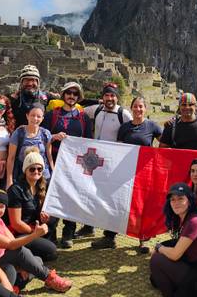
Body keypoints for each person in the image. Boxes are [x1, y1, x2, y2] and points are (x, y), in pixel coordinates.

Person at [0, 189, 73, 293]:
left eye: (2, 206)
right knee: (20, 256)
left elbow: (12, 239)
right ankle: (50, 278)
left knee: (36, 260)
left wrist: (21, 266)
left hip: (3, 260)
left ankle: (16, 288)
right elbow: (11, 245)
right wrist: (34, 235)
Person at [43, 82, 93, 249]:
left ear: (78, 97)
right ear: (63, 95)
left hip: (75, 164)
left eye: (75, 94)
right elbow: (42, 136)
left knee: (71, 197)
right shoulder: (52, 115)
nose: (72, 96)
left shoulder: (83, 117)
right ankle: (51, 232)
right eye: (69, 93)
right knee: (52, 195)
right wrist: (54, 136)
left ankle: (69, 232)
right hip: (54, 161)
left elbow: (88, 142)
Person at [84, 83, 132, 250]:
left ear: (117, 97)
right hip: (95, 161)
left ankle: (109, 236)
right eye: (107, 95)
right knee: (91, 194)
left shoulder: (123, 114)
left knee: (111, 198)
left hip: (113, 163)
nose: (109, 99)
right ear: (102, 97)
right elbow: (78, 109)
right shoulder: (96, 110)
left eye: (112, 96)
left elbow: (134, 128)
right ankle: (88, 226)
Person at [150, 183, 197, 297]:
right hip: (194, 267)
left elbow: (175, 255)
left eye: (181, 198)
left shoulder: (194, 221)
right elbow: (177, 243)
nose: (176, 203)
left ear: (190, 201)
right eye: (173, 200)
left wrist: (159, 247)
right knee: (155, 278)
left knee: (157, 260)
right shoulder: (184, 219)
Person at [114, 95, 163, 253]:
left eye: (141, 106)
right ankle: (110, 235)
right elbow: (118, 149)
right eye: (135, 106)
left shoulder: (152, 127)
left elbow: (165, 143)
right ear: (131, 108)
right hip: (126, 171)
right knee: (121, 202)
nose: (138, 109)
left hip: (144, 173)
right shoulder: (124, 128)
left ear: (145, 109)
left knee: (143, 205)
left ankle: (143, 239)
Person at [7, 148, 58, 262]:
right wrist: (35, 233)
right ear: (25, 170)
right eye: (32, 169)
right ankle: (23, 255)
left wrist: (46, 219)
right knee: (51, 251)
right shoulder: (15, 189)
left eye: (39, 169)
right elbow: (16, 224)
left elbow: (53, 212)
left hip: (36, 229)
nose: (36, 171)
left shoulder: (44, 186)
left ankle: (28, 256)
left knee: (52, 253)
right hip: (20, 233)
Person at [5, 103, 53, 188]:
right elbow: (11, 158)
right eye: (32, 115)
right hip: (23, 175)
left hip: (42, 175)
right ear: (27, 116)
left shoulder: (46, 134)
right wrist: (9, 179)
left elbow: (49, 156)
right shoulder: (19, 133)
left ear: (42, 118)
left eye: (38, 116)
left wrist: (53, 173)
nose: (35, 118)